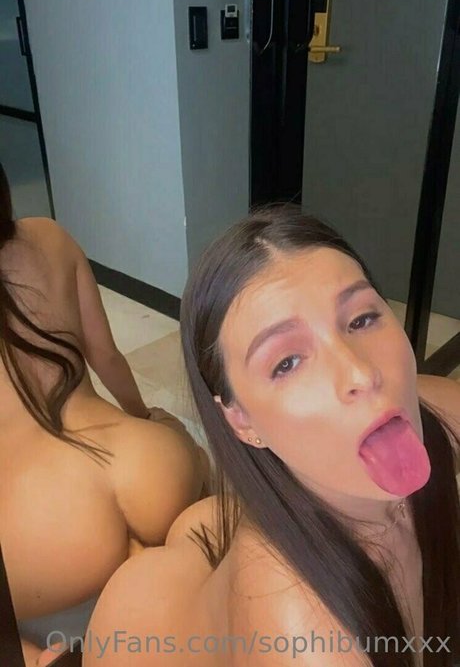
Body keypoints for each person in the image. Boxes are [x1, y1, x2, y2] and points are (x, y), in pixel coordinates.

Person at [77, 206, 459, 667]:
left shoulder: (416, 406)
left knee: (198, 526)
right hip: (139, 639)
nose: (361, 373)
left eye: (361, 319)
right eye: (287, 363)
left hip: (201, 552)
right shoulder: (307, 640)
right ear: (242, 420)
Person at [0, 163, 206, 653]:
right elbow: (107, 356)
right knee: (187, 448)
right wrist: (145, 416)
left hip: (44, 527)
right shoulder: (49, 236)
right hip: (141, 462)